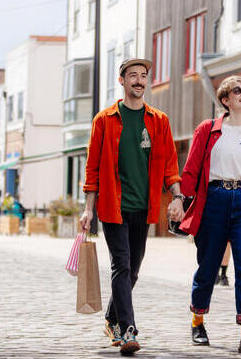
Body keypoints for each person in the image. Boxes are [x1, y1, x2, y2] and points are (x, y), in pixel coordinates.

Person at [174, 75, 241, 357]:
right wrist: (178, 200)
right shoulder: (207, 130)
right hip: (214, 200)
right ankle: (197, 321)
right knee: (208, 266)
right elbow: (191, 172)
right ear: (225, 100)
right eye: (237, 90)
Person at [79, 58, 182, 355]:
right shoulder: (105, 120)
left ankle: (112, 318)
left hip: (144, 207)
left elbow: (170, 167)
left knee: (132, 270)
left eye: (143, 75)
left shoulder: (159, 121)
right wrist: (88, 208)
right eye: (132, 75)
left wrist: (177, 197)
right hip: (113, 206)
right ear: (121, 81)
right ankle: (127, 330)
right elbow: (93, 169)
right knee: (121, 265)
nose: (139, 80)